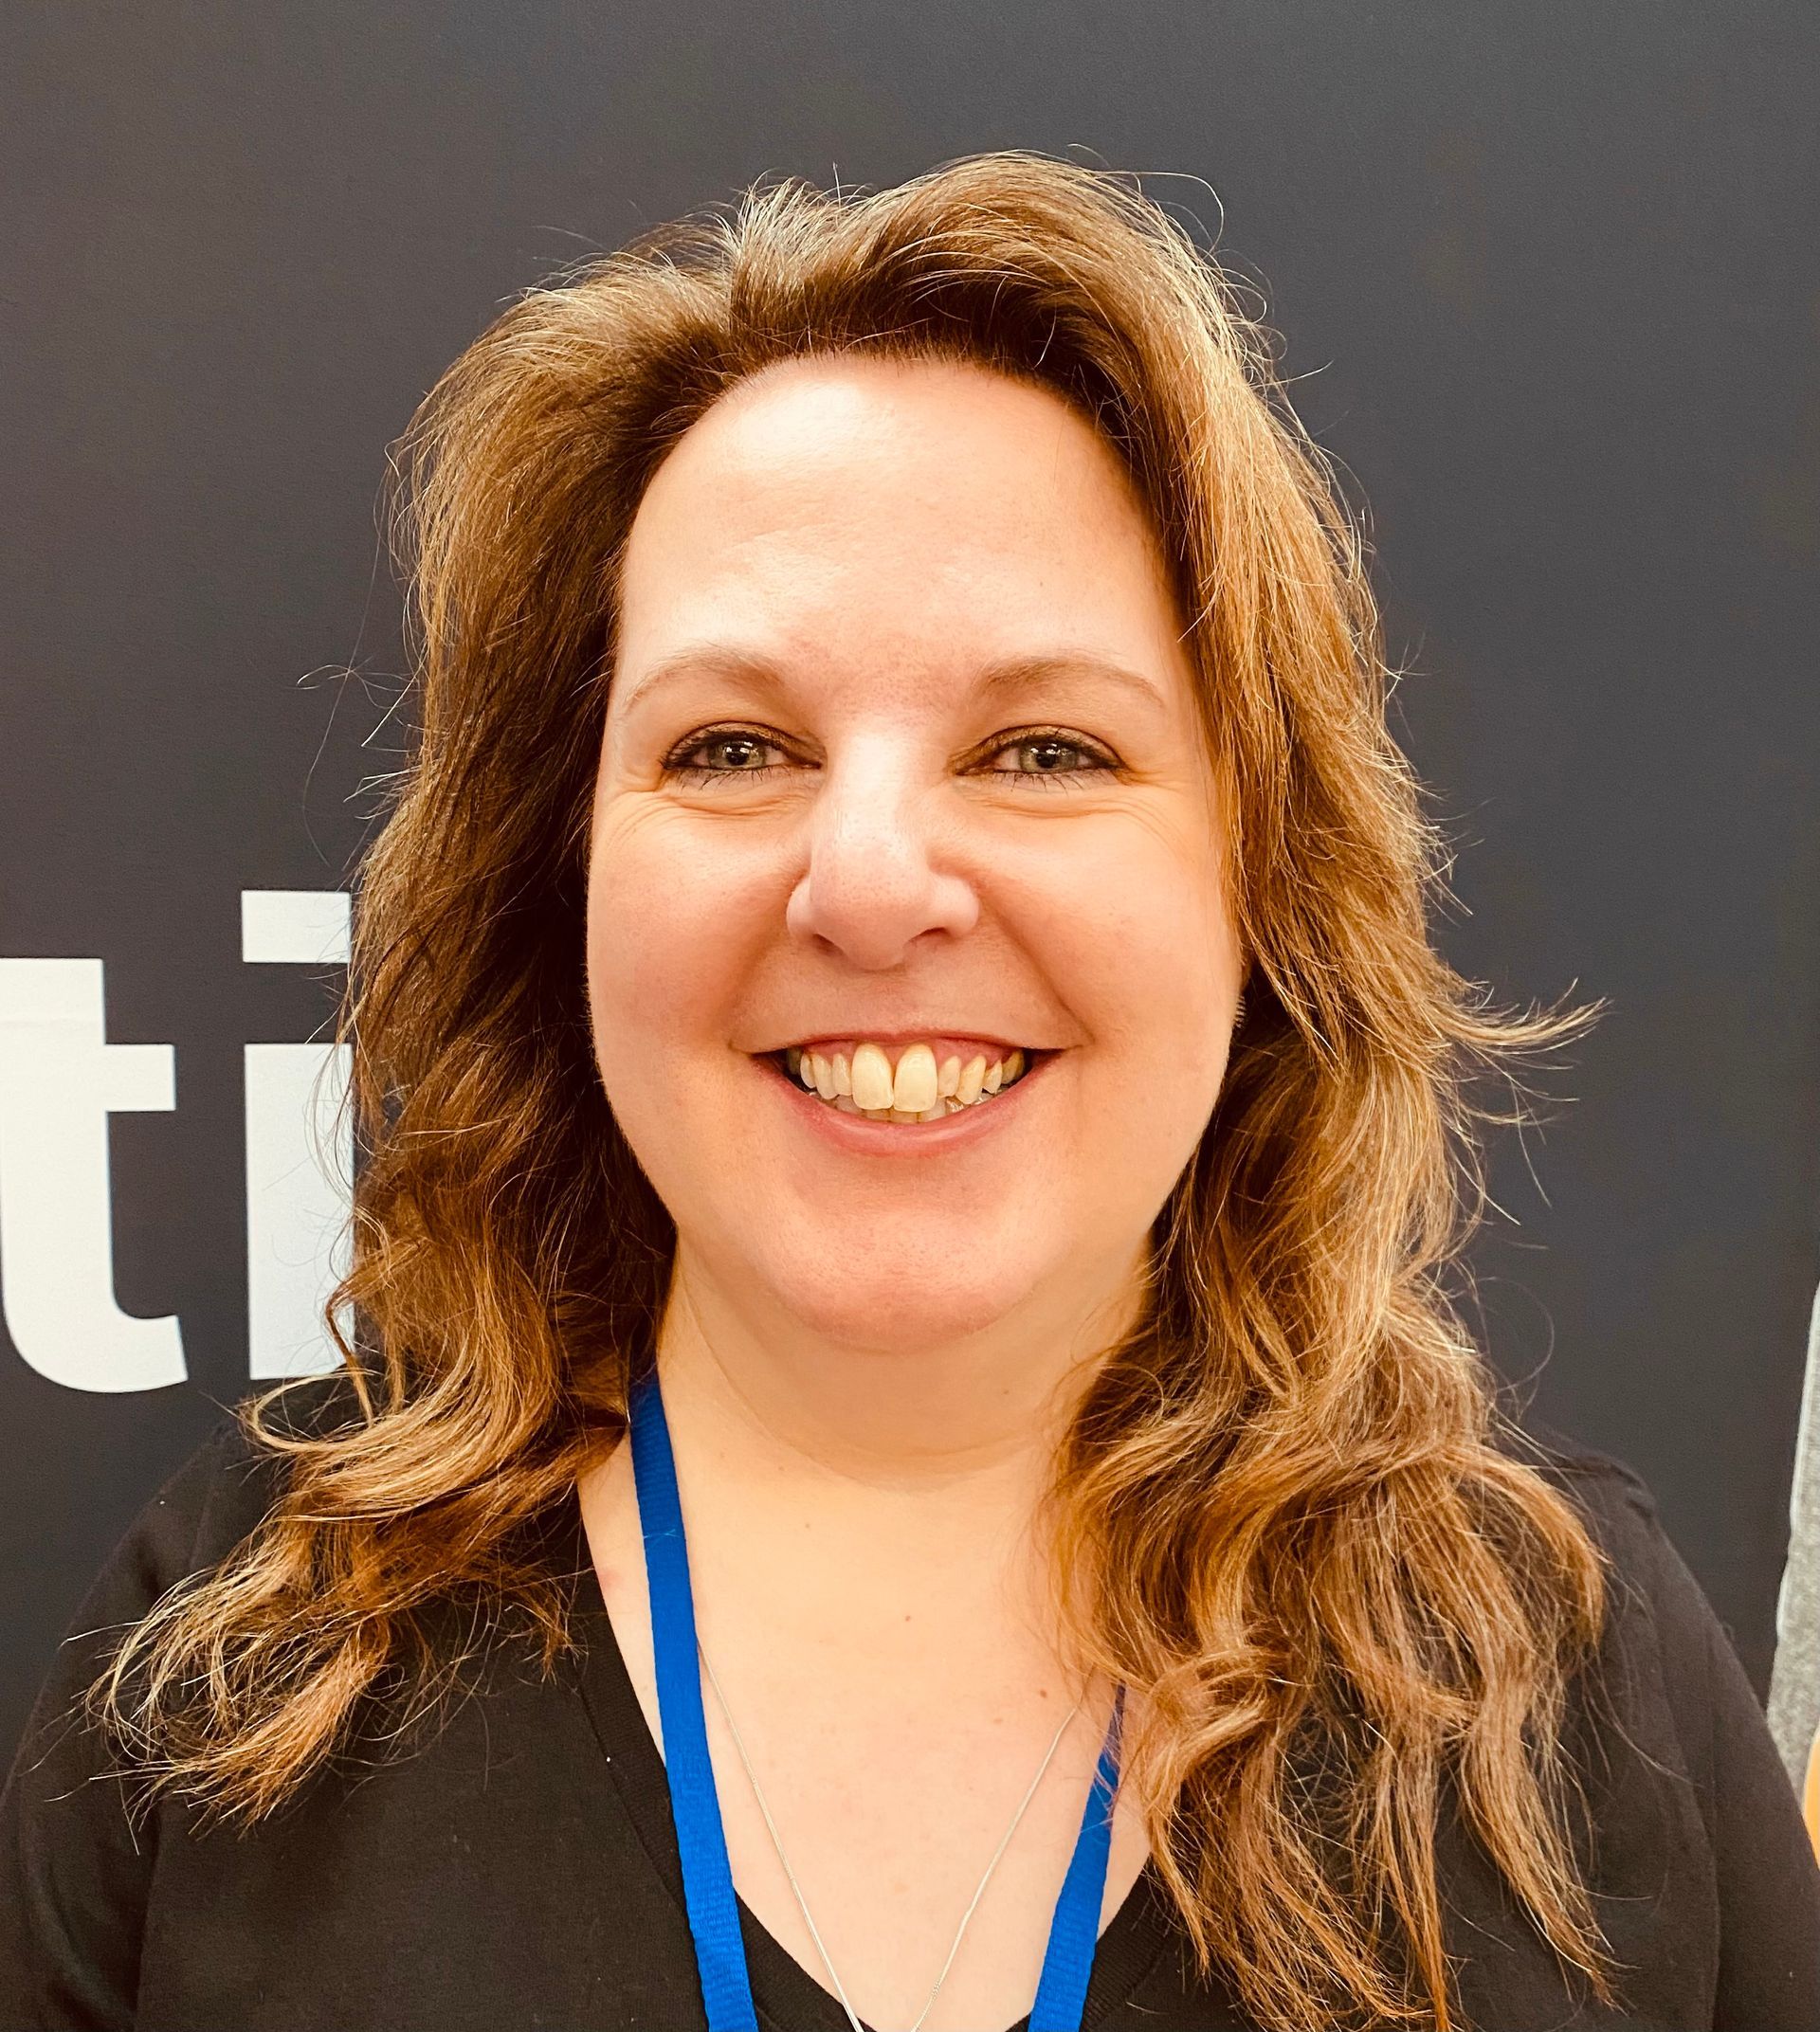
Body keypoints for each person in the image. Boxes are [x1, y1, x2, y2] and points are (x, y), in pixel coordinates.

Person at [3, 151, 1817, 2032]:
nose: (869, 880)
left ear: (1258, 878)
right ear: (567, 875)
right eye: (729, 744)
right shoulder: (237, 1672)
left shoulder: (1581, 1696)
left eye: (1045, 746)